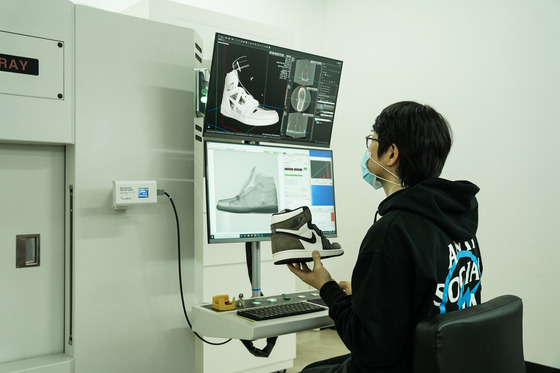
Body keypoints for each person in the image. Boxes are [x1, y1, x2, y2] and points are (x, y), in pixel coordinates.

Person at [287, 101, 483, 372]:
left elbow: (368, 347)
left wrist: (326, 287)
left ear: (391, 154)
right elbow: (432, 301)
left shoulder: (392, 232)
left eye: (372, 140)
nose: (368, 149)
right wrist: (371, 296)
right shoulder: (458, 222)